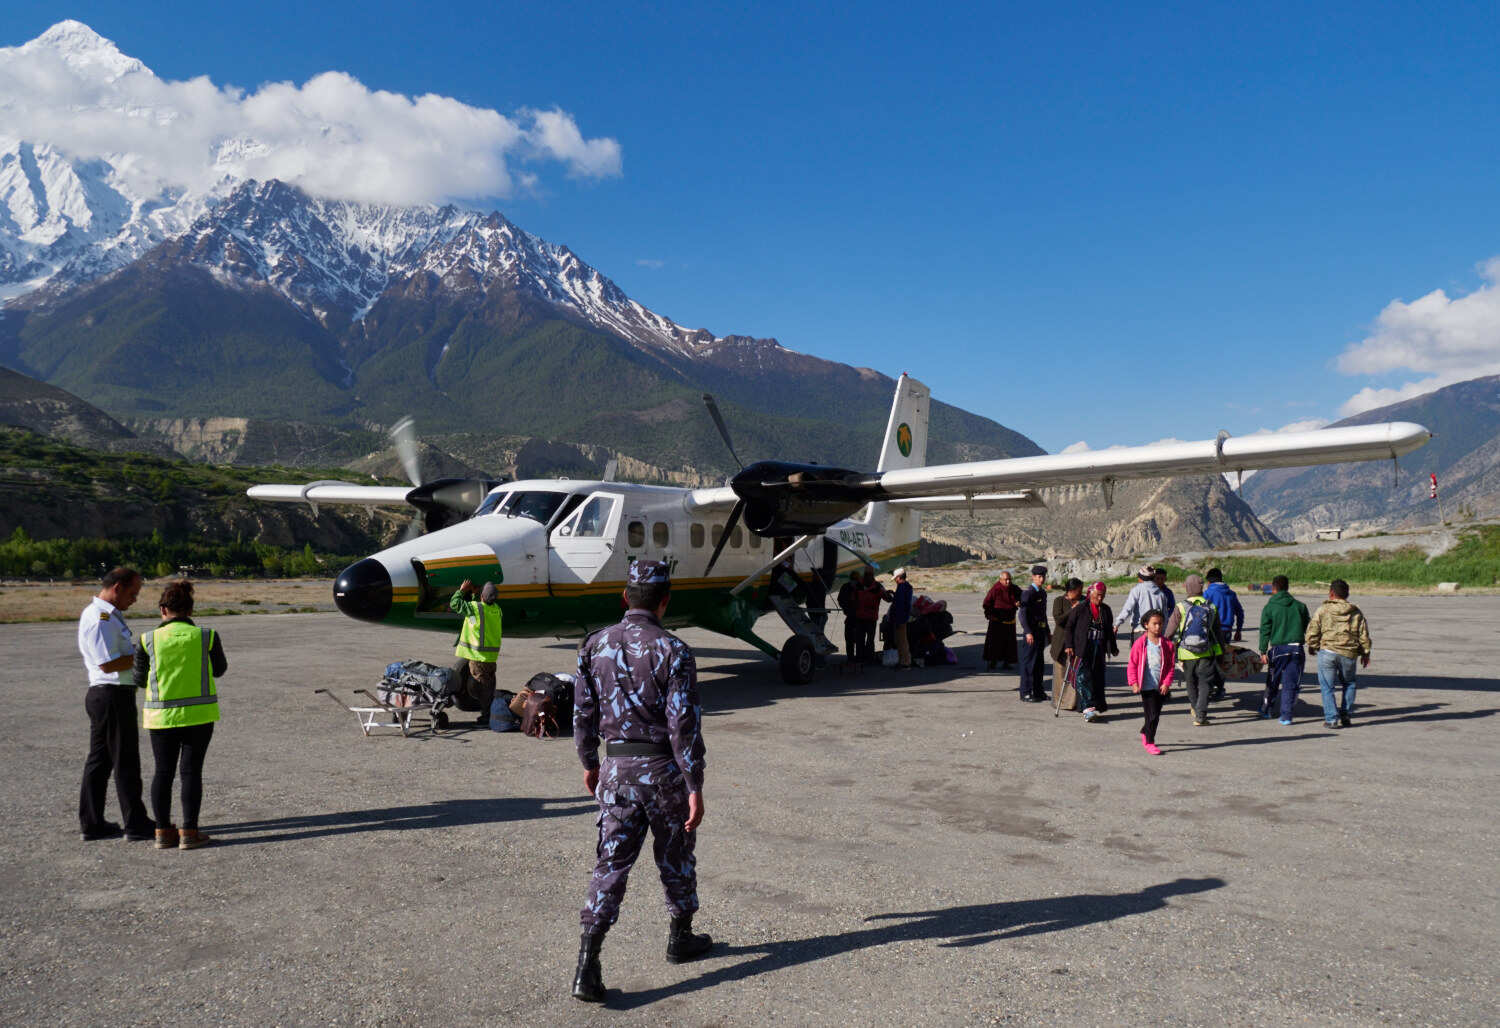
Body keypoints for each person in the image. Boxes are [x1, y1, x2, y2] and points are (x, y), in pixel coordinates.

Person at [571, 560, 710, 1003]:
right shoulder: (675, 650)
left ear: (624, 597)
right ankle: (680, 937)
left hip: (615, 772)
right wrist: (694, 785)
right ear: (665, 601)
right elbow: (682, 725)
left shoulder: (594, 645)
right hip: (664, 774)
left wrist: (588, 761)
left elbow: (583, 714)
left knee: (611, 864)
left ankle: (586, 967)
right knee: (675, 854)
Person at [134, 580, 226, 850]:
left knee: (163, 772)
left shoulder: (147, 639)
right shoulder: (207, 636)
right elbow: (220, 669)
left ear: (163, 609)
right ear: (190, 609)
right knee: (190, 773)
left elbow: (139, 678)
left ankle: (162, 831)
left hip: (161, 718)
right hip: (199, 716)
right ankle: (189, 831)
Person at [76, 566, 155, 842]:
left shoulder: (106, 615)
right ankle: (135, 823)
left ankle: (92, 823)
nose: (134, 599)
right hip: (111, 694)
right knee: (126, 761)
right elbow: (108, 662)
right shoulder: (101, 618)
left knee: (100, 761)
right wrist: (142, 654)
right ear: (117, 588)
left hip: (107, 694)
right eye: (132, 593)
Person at [1306, 579, 1372, 729]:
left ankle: (1331, 719)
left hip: (1328, 651)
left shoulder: (1323, 609)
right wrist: (1365, 653)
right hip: (1348, 653)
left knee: (1327, 686)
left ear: (1331, 594)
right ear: (1347, 594)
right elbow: (1363, 635)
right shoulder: (1356, 612)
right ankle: (1346, 714)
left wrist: (1313, 645)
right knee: (1349, 684)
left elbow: (1313, 630)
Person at [1165, 574, 1227, 726]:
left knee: (1190, 682)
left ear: (1187, 587)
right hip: (1207, 651)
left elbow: (1170, 631)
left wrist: (1164, 644)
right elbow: (1217, 632)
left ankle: (1194, 707)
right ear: (1201, 587)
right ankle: (1201, 715)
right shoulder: (1211, 606)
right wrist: (1223, 649)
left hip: (1186, 653)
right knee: (1205, 683)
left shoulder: (1180, 607)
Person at [1257, 575, 1310, 725]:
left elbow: (1265, 631)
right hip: (1296, 650)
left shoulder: (1269, 607)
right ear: (1287, 588)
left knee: (1273, 682)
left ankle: (1266, 709)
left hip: (1278, 651)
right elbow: (1309, 627)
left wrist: (1262, 651)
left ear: (1273, 588)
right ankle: (1286, 716)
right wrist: (1313, 644)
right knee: (1290, 684)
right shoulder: (1300, 606)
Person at [1062, 581, 1118, 721]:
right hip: (1082, 648)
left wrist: (1113, 647)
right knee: (1082, 677)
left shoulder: (1106, 610)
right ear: (1090, 593)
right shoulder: (1080, 608)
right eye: (1098, 595)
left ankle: (1093, 705)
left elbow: (1109, 631)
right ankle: (1087, 709)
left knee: (1097, 677)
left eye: (1103, 595)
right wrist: (1069, 645)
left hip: (1098, 648)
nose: (1100, 598)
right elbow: (1069, 627)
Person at [451, 579, 502, 727]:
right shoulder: (497, 609)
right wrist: (474, 596)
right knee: (489, 687)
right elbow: (477, 617)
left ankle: (487, 718)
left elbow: (455, 604)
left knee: (482, 689)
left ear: (482, 597)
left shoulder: (476, 608)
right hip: (490, 657)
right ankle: (489, 714)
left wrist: (462, 590)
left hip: (478, 658)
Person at [1126, 610, 1175, 754]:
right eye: (1154, 624)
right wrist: (1134, 683)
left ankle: (1144, 730)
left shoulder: (1167, 645)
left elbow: (1170, 666)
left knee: (1155, 714)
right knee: (1152, 715)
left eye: (1160, 623)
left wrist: (1166, 683)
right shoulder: (1140, 643)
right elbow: (1132, 664)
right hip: (1146, 686)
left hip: (1159, 686)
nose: (1158, 627)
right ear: (1146, 625)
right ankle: (1149, 741)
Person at [1016, 565, 1051, 702]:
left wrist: (1048, 632)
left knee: (1039, 664)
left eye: (1043, 576)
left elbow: (1043, 615)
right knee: (1028, 664)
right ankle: (1025, 692)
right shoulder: (1028, 593)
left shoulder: (1042, 593)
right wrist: (1028, 632)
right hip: (1031, 633)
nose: (1041, 579)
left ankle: (1038, 691)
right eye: (1039, 576)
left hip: (1040, 632)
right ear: (1033, 577)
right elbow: (1022, 615)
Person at [1050, 579, 1085, 710]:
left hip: (1077, 641)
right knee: (1060, 673)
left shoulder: (1084, 600)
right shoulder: (1059, 601)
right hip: (1061, 642)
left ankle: (1072, 703)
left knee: (1074, 673)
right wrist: (1073, 609)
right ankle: (1059, 701)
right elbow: (1059, 620)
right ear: (1071, 591)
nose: (1081, 592)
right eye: (1079, 590)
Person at [980, 570, 1022, 670]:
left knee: (1009, 643)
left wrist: (1019, 602)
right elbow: (986, 603)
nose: (1008, 582)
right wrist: (990, 614)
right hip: (997, 620)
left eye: (1009, 579)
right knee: (995, 643)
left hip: (1009, 620)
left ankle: (1007, 662)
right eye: (1006, 580)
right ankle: (992, 662)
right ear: (1000, 580)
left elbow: (1022, 596)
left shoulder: (1014, 588)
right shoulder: (996, 589)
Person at [1114, 565, 1170, 637]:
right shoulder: (1161, 593)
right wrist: (1163, 632)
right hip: (1156, 632)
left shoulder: (1137, 590)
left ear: (1141, 578)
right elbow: (1164, 615)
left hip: (1140, 630)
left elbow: (1127, 609)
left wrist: (1117, 624)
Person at [1203, 568, 1245, 643]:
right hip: (1227, 632)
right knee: (1224, 653)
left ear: (1209, 581)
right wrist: (1238, 630)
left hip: (1212, 632)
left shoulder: (1207, 593)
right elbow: (1240, 613)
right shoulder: (1232, 594)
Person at [886, 568, 914, 669]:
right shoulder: (907, 586)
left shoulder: (902, 587)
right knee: (902, 640)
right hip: (903, 617)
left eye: (895, 578)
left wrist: (896, 619)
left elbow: (900, 604)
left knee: (901, 641)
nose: (895, 580)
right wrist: (894, 594)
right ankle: (904, 661)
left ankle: (904, 662)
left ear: (899, 577)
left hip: (900, 618)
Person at [854, 569, 883, 664]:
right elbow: (887, 598)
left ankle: (861, 658)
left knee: (862, 639)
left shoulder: (859, 585)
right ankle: (867, 658)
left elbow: (851, 599)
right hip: (867, 618)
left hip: (864, 617)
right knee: (866, 640)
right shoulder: (876, 586)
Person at [836, 571, 863, 665]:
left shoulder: (846, 586)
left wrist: (846, 609)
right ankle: (857, 658)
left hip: (852, 617)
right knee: (857, 639)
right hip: (857, 617)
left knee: (850, 639)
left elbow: (840, 600)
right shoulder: (861, 586)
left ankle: (851, 658)